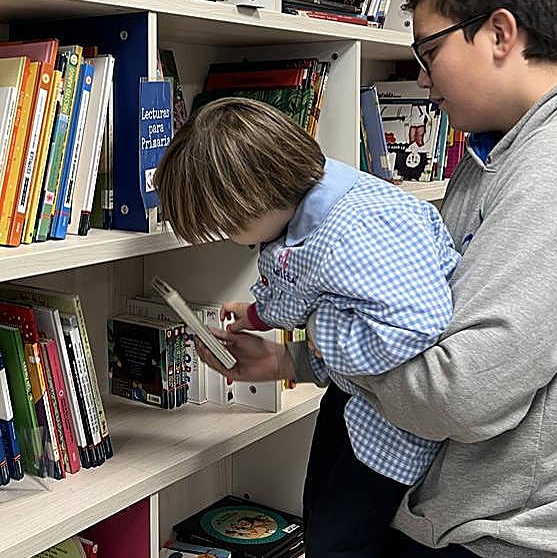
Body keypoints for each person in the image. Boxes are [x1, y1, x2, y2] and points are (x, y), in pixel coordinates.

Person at [190, 0, 557, 558]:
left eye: (429, 51)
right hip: (461, 515)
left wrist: (318, 332)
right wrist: (293, 364)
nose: (422, 79)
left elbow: (459, 393)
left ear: (500, 34)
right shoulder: (497, 152)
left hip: (506, 535)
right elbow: (425, 335)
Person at [154, 97, 461, 558]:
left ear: (250, 200)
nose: (229, 239)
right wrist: (258, 316)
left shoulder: (358, 229)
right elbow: (310, 287)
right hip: (353, 397)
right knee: (319, 519)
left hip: (391, 419)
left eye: (226, 226)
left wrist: (320, 334)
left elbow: (413, 327)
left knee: (340, 539)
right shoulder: (307, 213)